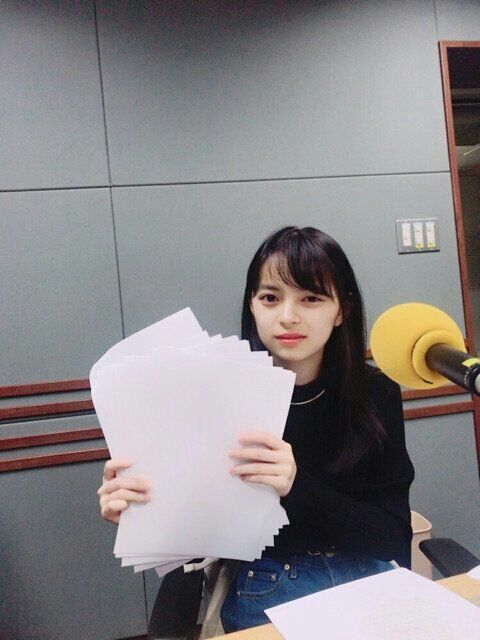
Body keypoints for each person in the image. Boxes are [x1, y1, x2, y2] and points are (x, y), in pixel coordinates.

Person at [97, 226, 415, 635]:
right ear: (252, 305)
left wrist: (296, 485)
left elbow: (391, 536)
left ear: (342, 310)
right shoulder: (214, 391)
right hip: (265, 584)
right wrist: (141, 514)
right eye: (270, 298)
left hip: (366, 581)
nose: (287, 316)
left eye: (311, 298)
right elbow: (199, 533)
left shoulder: (374, 393)